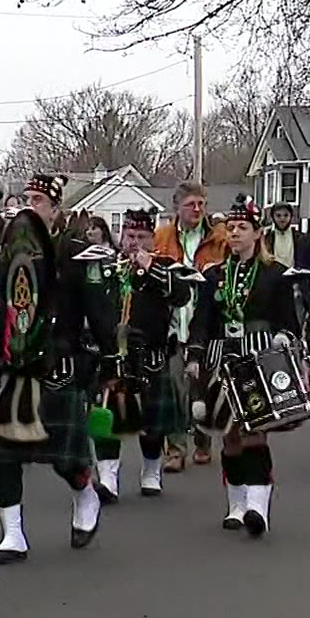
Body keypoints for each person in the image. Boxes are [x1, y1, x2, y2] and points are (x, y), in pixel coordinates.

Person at [0, 173, 115, 562]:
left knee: (64, 458)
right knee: (3, 455)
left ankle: (85, 494)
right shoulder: (5, 252)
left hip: (58, 362)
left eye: (38, 200)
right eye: (27, 198)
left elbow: (98, 308)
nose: (30, 205)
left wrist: (112, 359)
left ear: (55, 209)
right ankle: (13, 535)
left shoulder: (76, 251)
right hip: (11, 364)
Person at [189, 205, 300, 535]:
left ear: (257, 233)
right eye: (231, 227)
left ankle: (257, 507)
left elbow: (290, 320)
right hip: (223, 356)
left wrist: (283, 336)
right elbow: (202, 321)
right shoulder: (213, 275)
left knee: (255, 431)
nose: (235, 232)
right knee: (231, 436)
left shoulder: (276, 273)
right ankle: (236, 504)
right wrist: (195, 354)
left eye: (242, 227)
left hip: (260, 356)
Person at [95, 210, 192, 501]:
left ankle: (151, 471)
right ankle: (108, 477)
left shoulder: (165, 266)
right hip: (113, 356)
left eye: (141, 237)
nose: (134, 242)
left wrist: (150, 267)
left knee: (152, 422)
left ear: (152, 239)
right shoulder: (106, 265)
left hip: (151, 354)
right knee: (106, 416)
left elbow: (182, 295)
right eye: (130, 236)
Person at [151, 181, 226, 470]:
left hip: (205, 323)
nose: (197, 210)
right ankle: (175, 449)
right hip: (172, 323)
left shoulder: (218, 238)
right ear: (176, 208)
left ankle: (203, 442)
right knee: (173, 387)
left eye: (201, 204)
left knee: (203, 386)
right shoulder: (162, 237)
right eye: (191, 205)